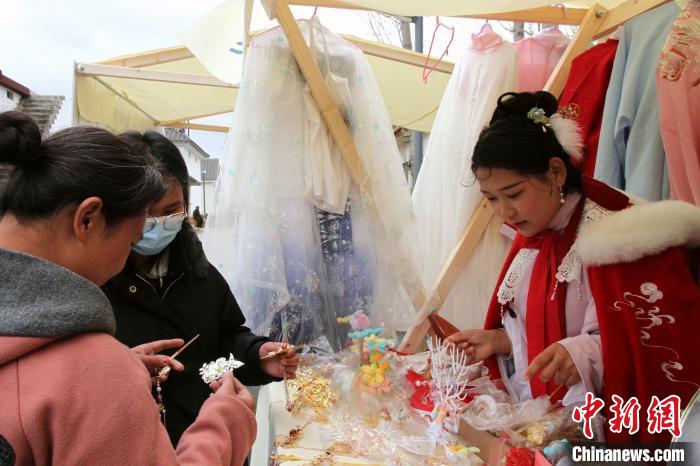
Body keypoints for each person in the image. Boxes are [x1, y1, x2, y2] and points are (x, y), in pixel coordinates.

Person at [0, 112, 256, 466]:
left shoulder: (200, 275)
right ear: (88, 219)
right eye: (132, 239)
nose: (127, 259)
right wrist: (227, 421)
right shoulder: (93, 370)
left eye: (171, 210)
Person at [445, 91, 700, 443]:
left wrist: (579, 352)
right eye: (491, 199)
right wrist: (501, 340)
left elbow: (638, 345)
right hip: (549, 428)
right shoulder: (533, 236)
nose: (504, 211)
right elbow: (534, 323)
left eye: (514, 193)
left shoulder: (622, 237)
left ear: (556, 170)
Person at [101, 130, 299, 446]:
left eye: (170, 210)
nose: (155, 224)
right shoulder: (96, 282)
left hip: (207, 436)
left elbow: (225, 341)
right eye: (145, 213)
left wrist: (258, 355)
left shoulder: (199, 272)